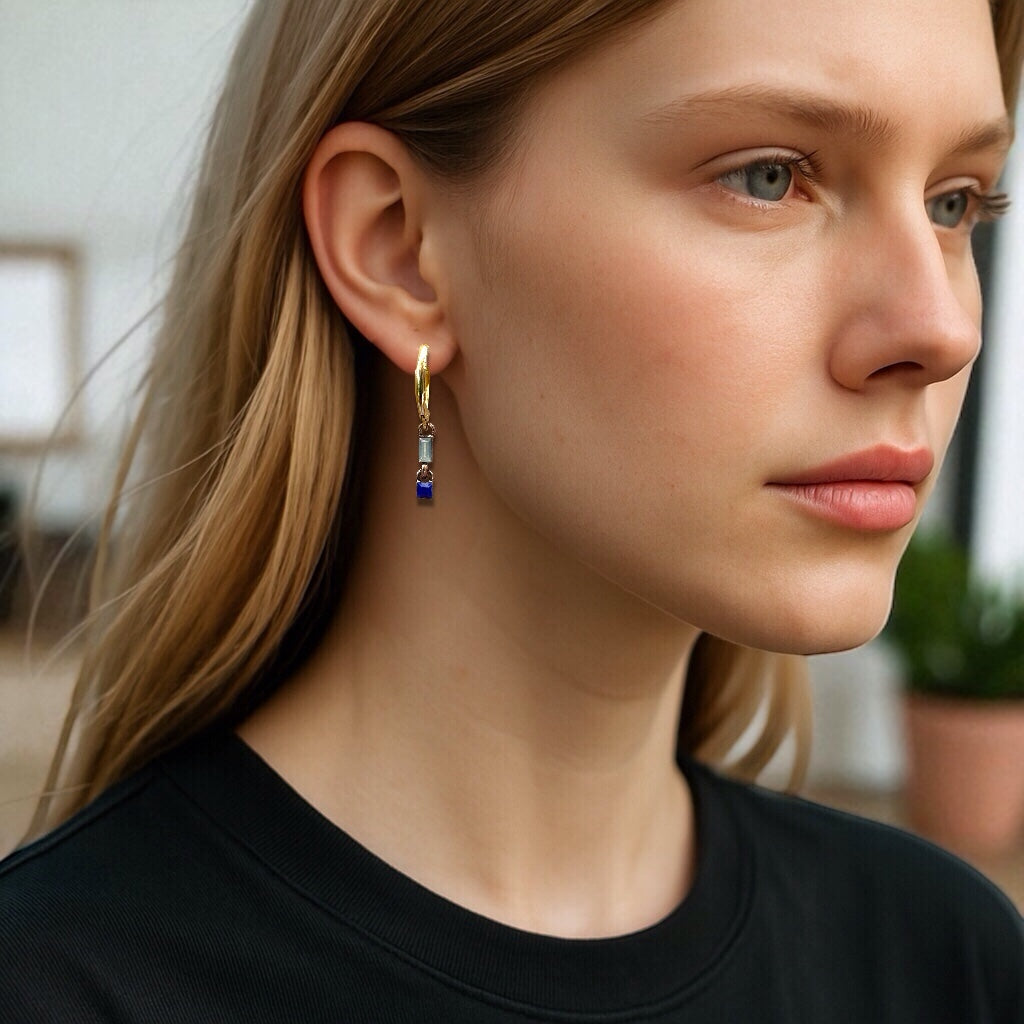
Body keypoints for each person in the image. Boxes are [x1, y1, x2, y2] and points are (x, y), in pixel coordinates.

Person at [2, 0, 1023, 1019]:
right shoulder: (58, 987)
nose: (939, 329)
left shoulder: (947, 965)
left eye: (954, 202)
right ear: (398, 249)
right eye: (768, 176)